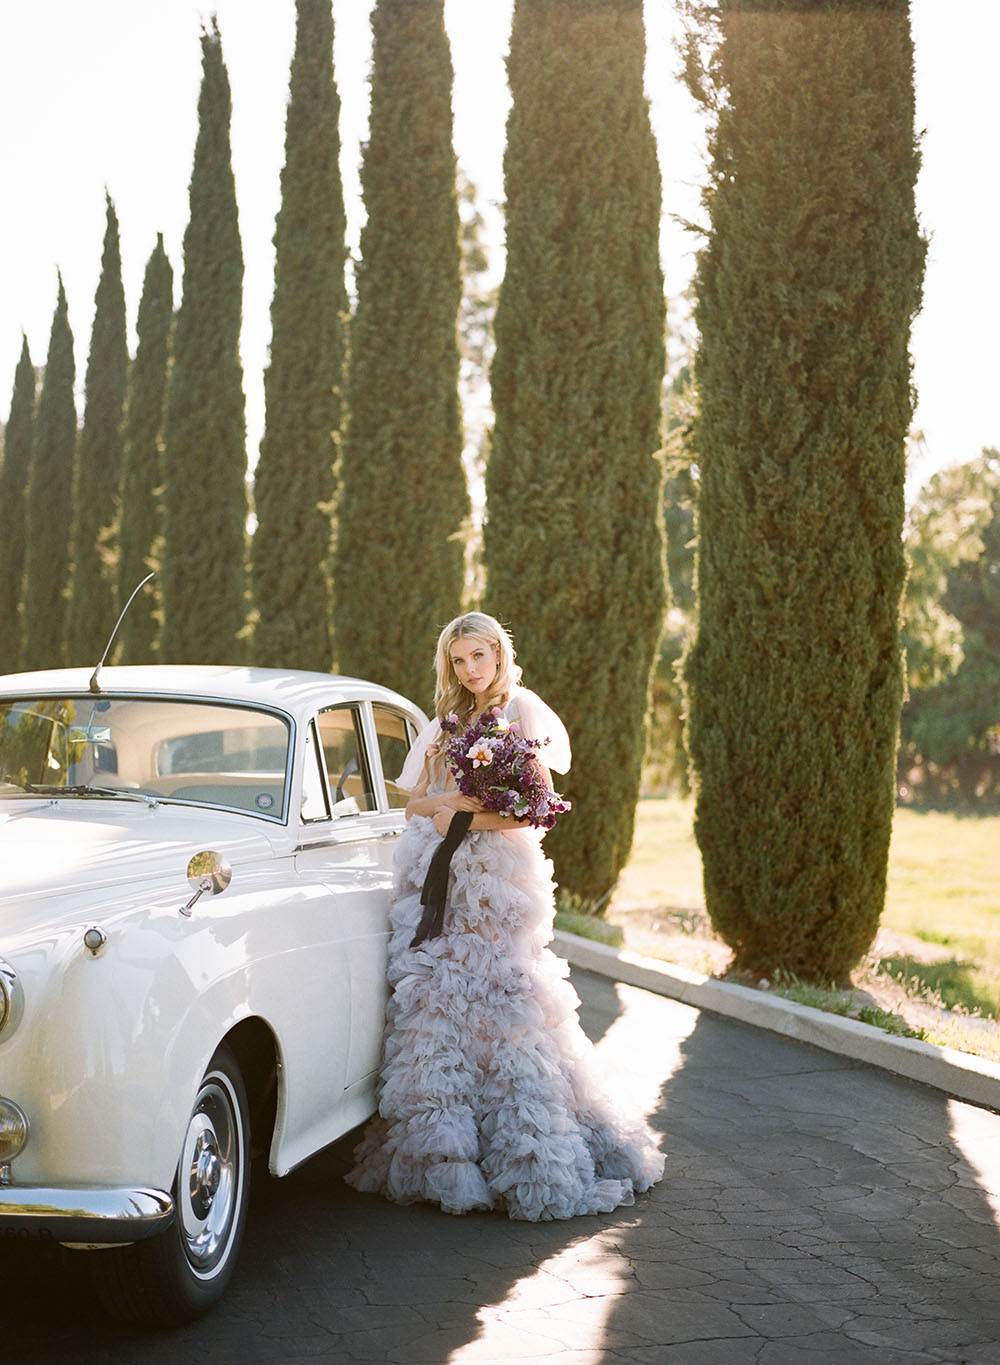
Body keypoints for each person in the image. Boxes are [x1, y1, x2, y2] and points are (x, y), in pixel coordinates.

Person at [345, 611, 665, 1220]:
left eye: (479, 658)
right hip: (435, 869)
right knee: (437, 997)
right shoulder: (445, 721)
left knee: (502, 1000)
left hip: (494, 879)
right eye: (458, 661)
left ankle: (525, 1151)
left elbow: (537, 806)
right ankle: (445, 1153)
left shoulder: (520, 711)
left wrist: (468, 817)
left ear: (499, 654)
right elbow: (413, 797)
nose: (470, 671)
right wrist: (443, 805)